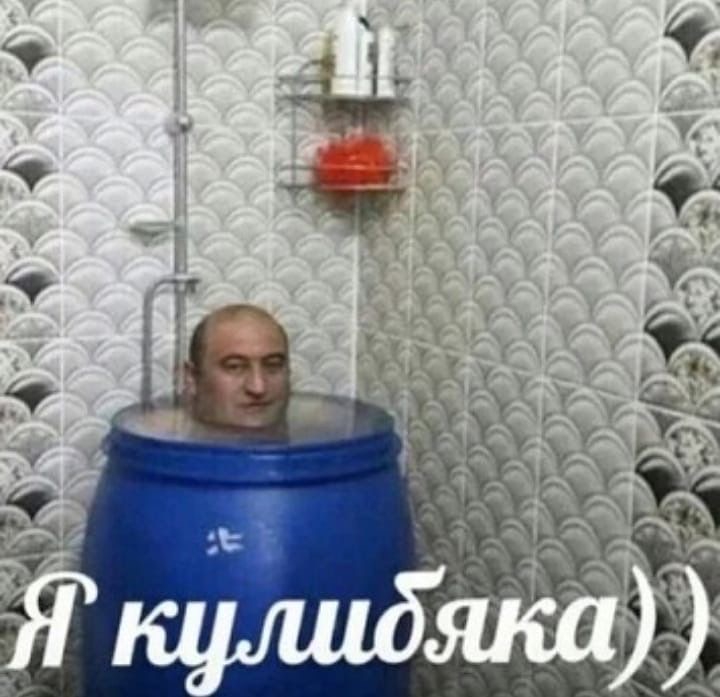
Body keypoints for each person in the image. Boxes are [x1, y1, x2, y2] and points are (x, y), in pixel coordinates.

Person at [183, 304, 290, 431]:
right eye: (235, 367)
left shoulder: (310, 428)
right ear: (192, 378)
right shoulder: (164, 435)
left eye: (273, 365)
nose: (258, 388)